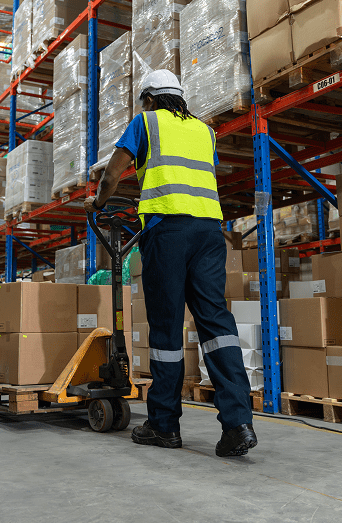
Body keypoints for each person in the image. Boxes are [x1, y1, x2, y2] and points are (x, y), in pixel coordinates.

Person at [84, 69, 257, 457]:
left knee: (165, 330)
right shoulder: (205, 131)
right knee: (217, 324)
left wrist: (97, 203)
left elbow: (112, 175)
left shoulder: (146, 121)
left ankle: (164, 426)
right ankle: (238, 424)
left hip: (167, 233)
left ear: (148, 98)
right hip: (210, 233)